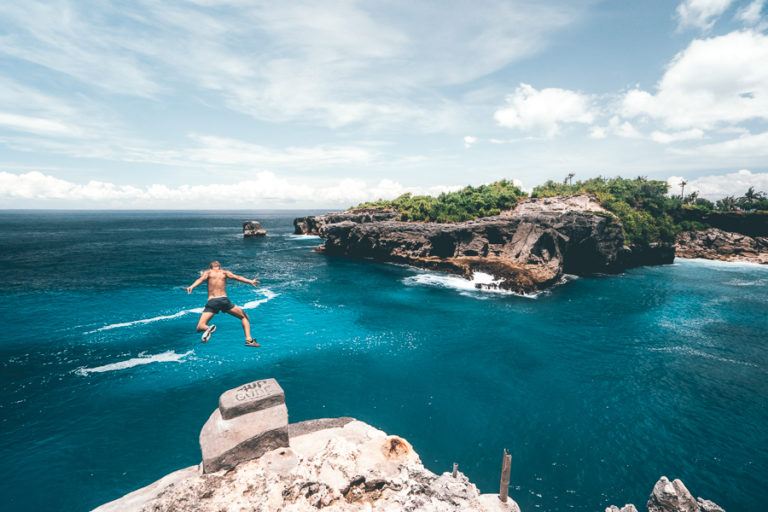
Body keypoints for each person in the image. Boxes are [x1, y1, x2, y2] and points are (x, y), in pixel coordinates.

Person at [186, 261, 260, 347]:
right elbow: (237, 277)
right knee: (244, 317)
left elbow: (200, 279)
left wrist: (191, 286)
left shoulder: (208, 272)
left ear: (210, 267)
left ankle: (208, 328)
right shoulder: (224, 272)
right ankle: (249, 340)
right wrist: (250, 281)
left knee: (199, 327)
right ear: (220, 267)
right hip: (224, 301)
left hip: (212, 301)